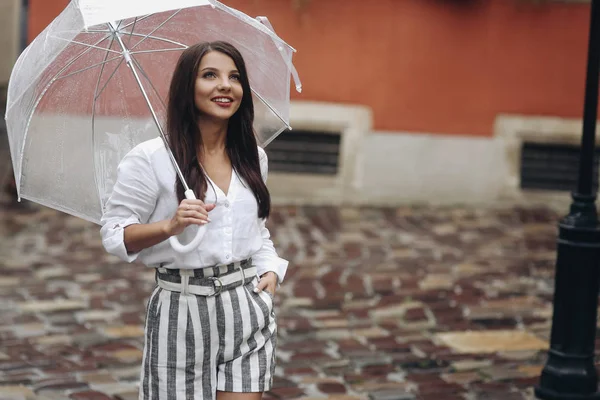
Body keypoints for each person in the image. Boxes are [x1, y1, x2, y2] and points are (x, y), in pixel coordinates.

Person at [100, 41, 288, 400]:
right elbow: (114, 234)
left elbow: (257, 229)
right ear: (188, 86)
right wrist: (170, 226)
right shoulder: (150, 159)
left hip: (246, 306)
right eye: (209, 75)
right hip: (181, 310)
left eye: (234, 77)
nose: (225, 86)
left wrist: (271, 270)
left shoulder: (253, 156)